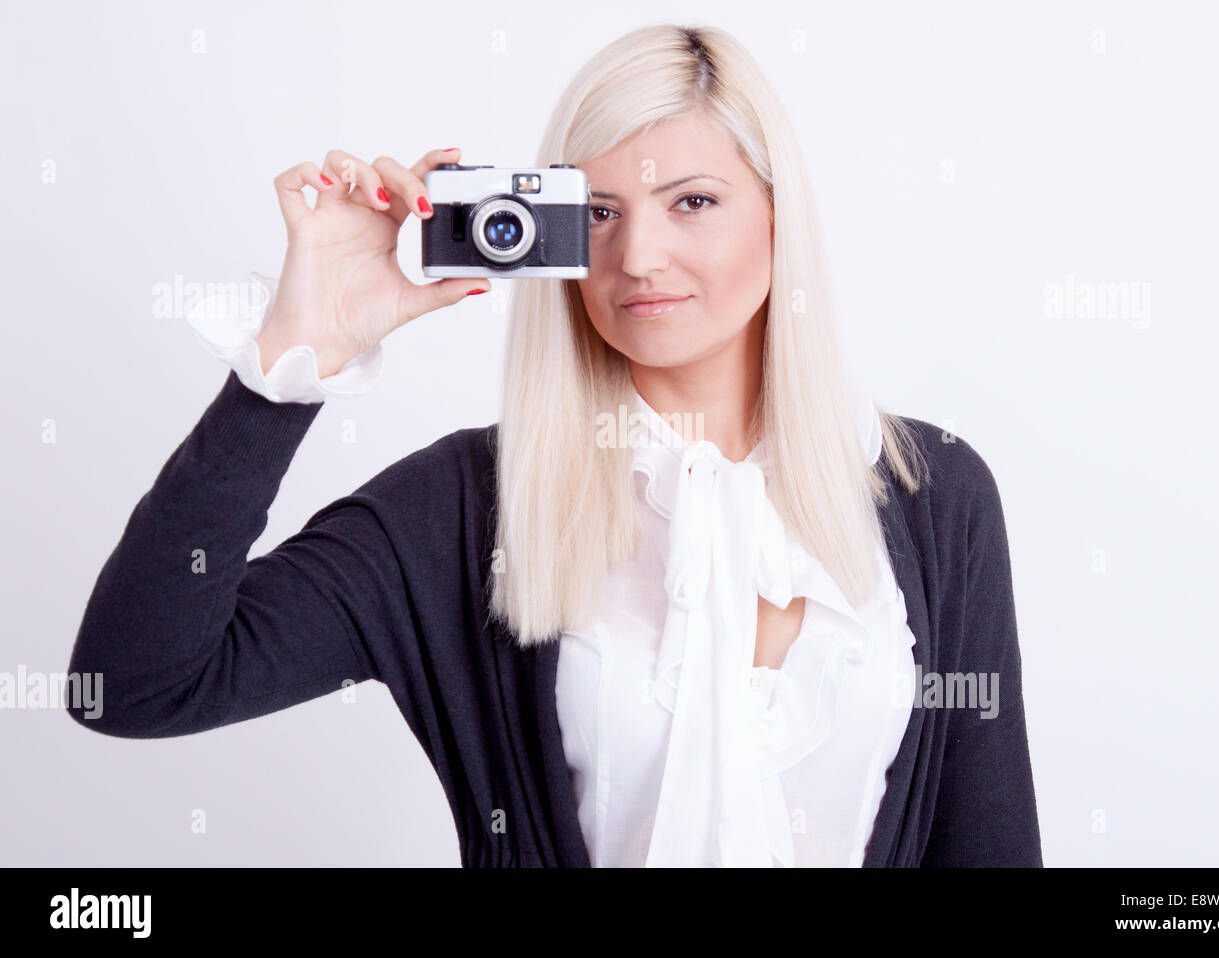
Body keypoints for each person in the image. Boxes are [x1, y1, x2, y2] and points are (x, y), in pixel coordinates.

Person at [67, 22, 1042, 868]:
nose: (638, 257)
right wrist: (292, 358)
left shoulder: (932, 492)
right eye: (599, 214)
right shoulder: (467, 507)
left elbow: (988, 846)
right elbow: (131, 684)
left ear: (779, 215)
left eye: (691, 201)